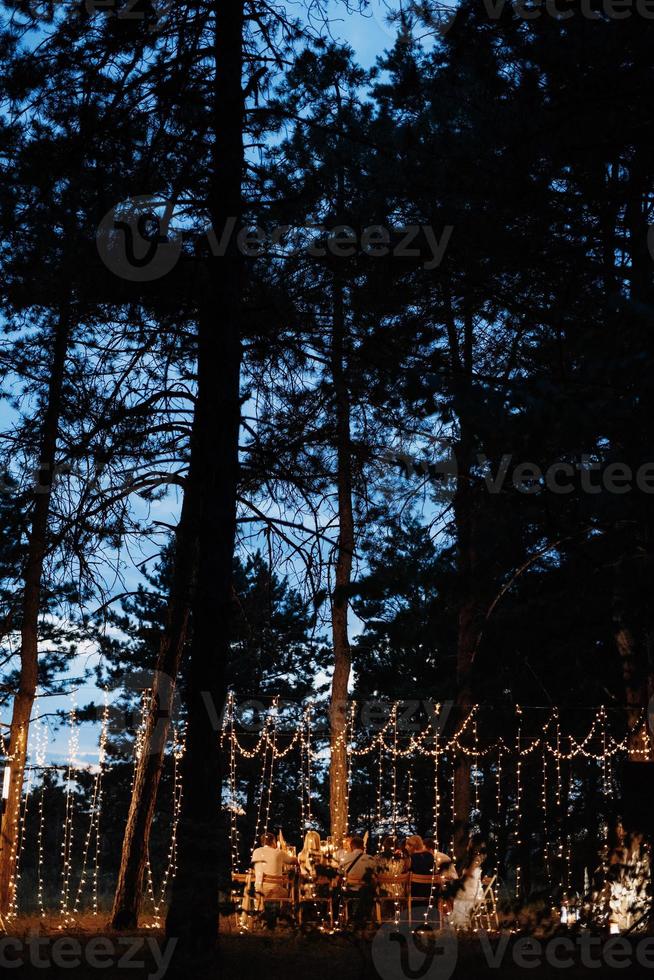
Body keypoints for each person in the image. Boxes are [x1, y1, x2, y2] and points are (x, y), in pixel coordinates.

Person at [451, 842, 489, 929]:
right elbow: (471, 875)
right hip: (473, 890)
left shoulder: (474, 860)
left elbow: (469, 875)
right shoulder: (476, 860)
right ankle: (462, 924)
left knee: (459, 901)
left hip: (471, 890)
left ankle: (461, 924)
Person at [251, 832, 294, 899]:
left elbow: (255, 868)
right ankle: (282, 909)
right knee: (288, 892)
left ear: (262, 842)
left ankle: (260, 908)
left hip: (259, 891)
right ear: (273, 841)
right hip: (276, 892)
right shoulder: (278, 852)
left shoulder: (256, 851)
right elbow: (292, 861)